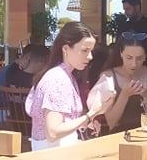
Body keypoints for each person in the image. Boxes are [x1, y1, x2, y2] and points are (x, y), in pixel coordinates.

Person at [26, 22, 113, 151]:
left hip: (56, 152)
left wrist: (85, 121)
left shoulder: (62, 75)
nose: (90, 56)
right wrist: (90, 115)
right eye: (84, 50)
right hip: (53, 157)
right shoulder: (57, 79)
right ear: (66, 49)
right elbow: (53, 132)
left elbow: (62, 122)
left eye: (91, 51)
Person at [87, 34, 147, 133]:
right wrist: (125, 94)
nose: (134, 64)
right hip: (119, 134)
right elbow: (111, 122)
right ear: (121, 54)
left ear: (145, 57)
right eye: (129, 58)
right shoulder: (108, 76)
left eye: (139, 58)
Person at [0, 45, 48, 124]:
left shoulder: (11, 74)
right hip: (4, 113)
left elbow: (14, 67)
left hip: (11, 117)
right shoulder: (36, 81)